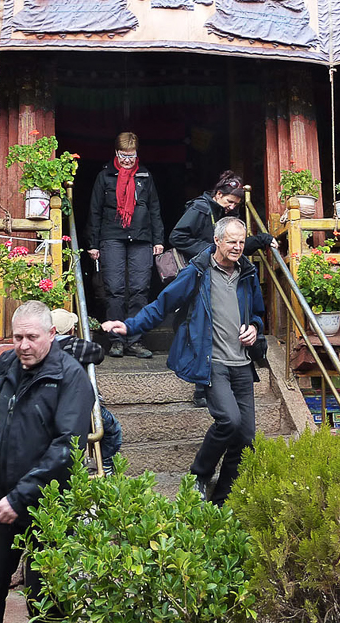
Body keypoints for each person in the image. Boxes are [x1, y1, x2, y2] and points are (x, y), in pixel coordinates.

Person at [102, 217, 266, 505]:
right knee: (229, 420)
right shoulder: (198, 272)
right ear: (217, 241)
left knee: (247, 436)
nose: (238, 247)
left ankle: (223, 497)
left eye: (241, 242)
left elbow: (257, 313)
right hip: (212, 360)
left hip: (241, 362)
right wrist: (129, 327)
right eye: (231, 241)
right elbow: (162, 303)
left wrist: (254, 327)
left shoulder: (248, 273)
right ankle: (199, 475)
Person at [0, 301, 93, 623]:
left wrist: (18, 497)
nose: (23, 345)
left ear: (52, 334)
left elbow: (67, 447)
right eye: (17, 337)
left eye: (32, 337)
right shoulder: (8, 370)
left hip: (49, 505)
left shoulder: (71, 377)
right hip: (4, 498)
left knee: (46, 600)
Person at [169, 170, 276, 407]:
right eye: (229, 202)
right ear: (218, 195)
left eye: (236, 204)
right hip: (201, 274)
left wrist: (263, 240)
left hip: (217, 275)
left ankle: (212, 387)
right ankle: (200, 388)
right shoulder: (200, 208)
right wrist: (209, 249)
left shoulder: (224, 213)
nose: (232, 207)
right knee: (202, 327)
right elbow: (177, 237)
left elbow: (235, 246)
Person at [86, 131, 165, 360]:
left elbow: (154, 210)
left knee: (140, 289)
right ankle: (116, 340)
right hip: (111, 237)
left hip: (141, 238)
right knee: (114, 290)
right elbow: (95, 210)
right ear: (116, 153)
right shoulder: (105, 176)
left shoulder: (145, 176)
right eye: (123, 156)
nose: (127, 161)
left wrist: (159, 240)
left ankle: (135, 339)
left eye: (131, 156)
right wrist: (93, 243)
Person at [50, 307, 123, 474]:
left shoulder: (44, 349)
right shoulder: (73, 345)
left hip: (53, 407)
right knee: (111, 430)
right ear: (71, 329)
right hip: (79, 409)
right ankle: (105, 464)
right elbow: (98, 352)